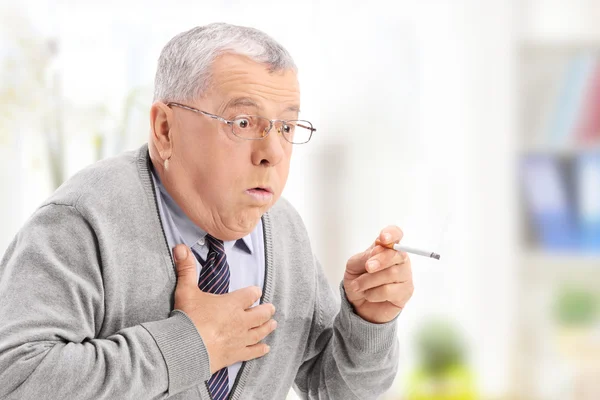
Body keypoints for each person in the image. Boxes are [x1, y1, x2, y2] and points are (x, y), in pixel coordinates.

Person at [0, 23, 414, 400]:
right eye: (242, 123)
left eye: (286, 127)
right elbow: (16, 380)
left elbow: (333, 388)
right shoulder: (81, 221)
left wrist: (368, 322)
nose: (272, 153)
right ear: (165, 129)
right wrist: (189, 344)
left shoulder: (283, 228)